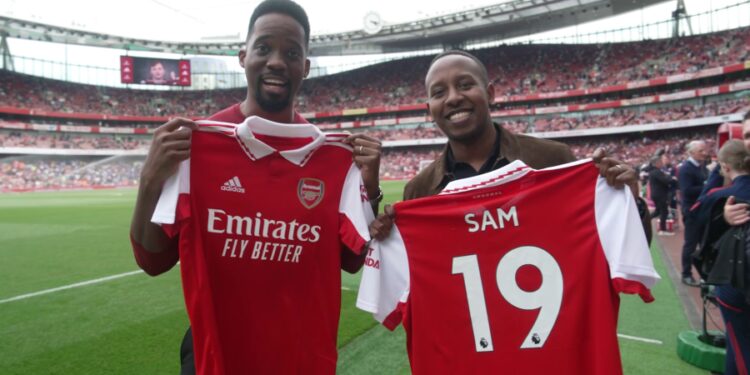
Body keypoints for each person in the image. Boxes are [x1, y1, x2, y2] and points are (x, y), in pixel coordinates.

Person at [129, 1, 382, 373]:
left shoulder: (332, 157)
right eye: (264, 48)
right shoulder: (194, 147)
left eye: (291, 52)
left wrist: (369, 190)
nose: (277, 61)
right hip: (217, 355)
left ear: (306, 67)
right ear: (243, 56)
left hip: (298, 359)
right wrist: (149, 181)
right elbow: (152, 260)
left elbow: (351, 260)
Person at [370, 50, 652, 242]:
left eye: (465, 85)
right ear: (429, 108)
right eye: (439, 93)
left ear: (490, 93)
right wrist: (388, 238)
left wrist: (630, 202)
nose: (453, 98)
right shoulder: (418, 192)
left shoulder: (554, 160)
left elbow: (613, 246)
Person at [691, 139, 750, 375]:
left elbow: (694, 213)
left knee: (740, 345)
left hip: (734, 280)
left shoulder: (721, 195)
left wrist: (716, 173)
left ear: (726, 166)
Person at [677, 140, 709, 286]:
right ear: (691, 152)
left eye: (704, 150)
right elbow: (687, 191)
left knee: (705, 243)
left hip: (702, 210)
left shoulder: (701, 167)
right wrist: (707, 186)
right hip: (692, 211)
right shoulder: (686, 168)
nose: (705, 153)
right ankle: (686, 274)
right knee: (691, 244)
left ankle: (705, 274)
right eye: (701, 150)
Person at [648, 155, 677, 236]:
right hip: (660, 194)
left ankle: (645, 220)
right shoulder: (656, 172)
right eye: (660, 162)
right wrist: (672, 179)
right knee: (664, 212)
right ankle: (662, 230)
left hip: (657, 194)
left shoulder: (654, 171)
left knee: (658, 211)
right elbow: (665, 180)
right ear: (657, 163)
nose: (662, 163)